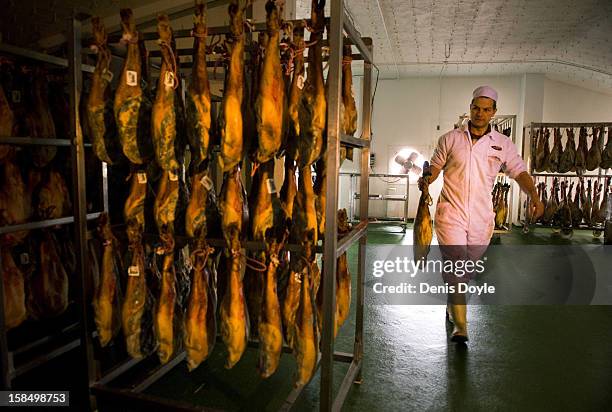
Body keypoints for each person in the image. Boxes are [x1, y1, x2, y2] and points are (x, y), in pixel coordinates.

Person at [419, 86, 544, 343]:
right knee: (455, 263)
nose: (480, 113)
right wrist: (426, 180)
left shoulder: (502, 144)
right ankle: (461, 325)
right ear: (470, 107)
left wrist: (534, 195)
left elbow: (518, 171)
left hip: (481, 216)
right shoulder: (450, 138)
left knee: (466, 268)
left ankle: (453, 304)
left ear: (494, 113)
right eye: (476, 108)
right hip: (451, 211)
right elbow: (436, 166)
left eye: (486, 109)